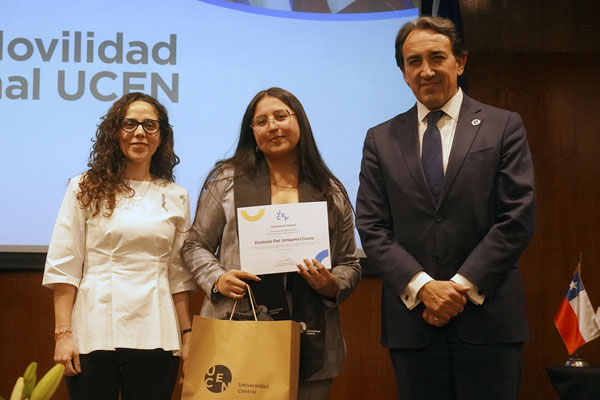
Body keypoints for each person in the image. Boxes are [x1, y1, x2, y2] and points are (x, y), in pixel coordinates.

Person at [356, 17, 535, 400]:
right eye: (414, 61)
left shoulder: (503, 127)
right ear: (403, 73)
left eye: (437, 57)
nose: (426, 70)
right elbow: (371, 226)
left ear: (460, 62)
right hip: (413, 325)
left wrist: (456, 289)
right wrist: (423, 288)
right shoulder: (380, 139)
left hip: (489, 320)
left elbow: (516, 218)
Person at [182, 87, 361, 399]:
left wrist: (333, 285)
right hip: (238, 331)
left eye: (280, 116)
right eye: (261, 121)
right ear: (252, 132)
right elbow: (194, 245)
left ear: (299, 122)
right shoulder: (226, 181)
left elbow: (349, 262)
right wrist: (218, 278)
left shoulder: (329, 189)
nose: (272, 126)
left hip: (311, 339)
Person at [43, 92, 196, 399]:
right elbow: (64, 265)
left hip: (158, 332)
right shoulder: (84, 187)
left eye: (150, 125)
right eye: (130, 124)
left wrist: (188, 336)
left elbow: (178, 275)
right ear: (115, 132)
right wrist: (63, 335)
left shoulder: (176, 195)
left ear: (161, 136)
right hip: (93, 330)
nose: (140, 132)